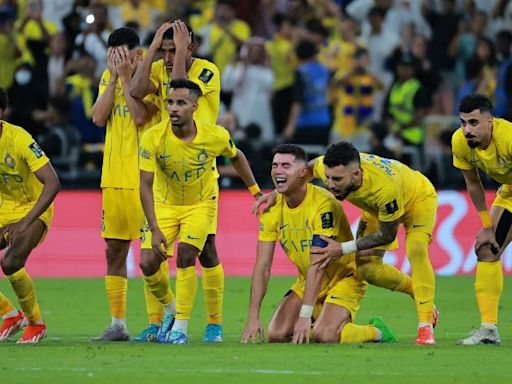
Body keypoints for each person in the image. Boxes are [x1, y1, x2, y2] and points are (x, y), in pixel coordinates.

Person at [254, 142, 438, 345]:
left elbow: (387, 234)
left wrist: (342, 249)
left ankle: (425, 325)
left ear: (356, 175)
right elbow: (305, 171)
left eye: (337, 180)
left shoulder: (385, 189)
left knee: (416, 248)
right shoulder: (329, 168)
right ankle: (415, 289)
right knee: (368, 270)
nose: (331, 185)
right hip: (374, 208)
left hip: (417, 199)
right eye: (328, 178)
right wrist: (276, 193)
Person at [138, 79, 261, 344]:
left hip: (201, 202)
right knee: (147, 263)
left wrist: (256, 192)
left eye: (181, 103)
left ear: (195, 106)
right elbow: (145, 185)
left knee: (187, 254)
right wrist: (156, 228)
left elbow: (236, 156)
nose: (173, 108)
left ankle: (184, 327)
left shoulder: (215, 135)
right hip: (165, 204)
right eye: (170, 102)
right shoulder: (153, 137)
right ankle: (170, 309)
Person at [130, 20, 231, 343]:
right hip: (163, 172)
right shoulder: (159, 67)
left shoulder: (207, 72)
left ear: (192, 48)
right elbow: (134, 91)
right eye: (166, 51)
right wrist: (154, 46)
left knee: (206, 252)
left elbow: (180, 89)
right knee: (153, 255)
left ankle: (213, 322)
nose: (169, 57)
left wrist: (181, 53)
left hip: (199, 171)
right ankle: (161, 316)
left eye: (177, 50)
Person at [90, 27, 160, 341]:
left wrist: (129, 78)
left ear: (138, 54)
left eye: (123, 55)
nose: (117, 61)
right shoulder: (109, 79)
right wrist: (116, 78)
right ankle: (118, 324)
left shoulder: (151, 80)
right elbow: (97, 118)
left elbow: (140, 118)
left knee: (151, 256)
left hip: (144, 180)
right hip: (113, 179)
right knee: (114, 250)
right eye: (112, 55)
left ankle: (159, 323)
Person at [0, 87, 61, 343]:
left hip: (34, 207)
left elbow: (53, 182)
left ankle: (36, 322)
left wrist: (25, 222)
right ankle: (9, 314)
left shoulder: (19, 138)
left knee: (11, 262)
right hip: (5, 209)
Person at [452, 94, 511, 345]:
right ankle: (489, 329)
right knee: (487, 248)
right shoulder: (460, 142)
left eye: (474, 123)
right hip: (509, 192)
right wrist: (487, 226)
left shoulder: (508, 137)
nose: (467, 130)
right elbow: (473, 183)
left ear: (490, 121)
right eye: (464, 122)